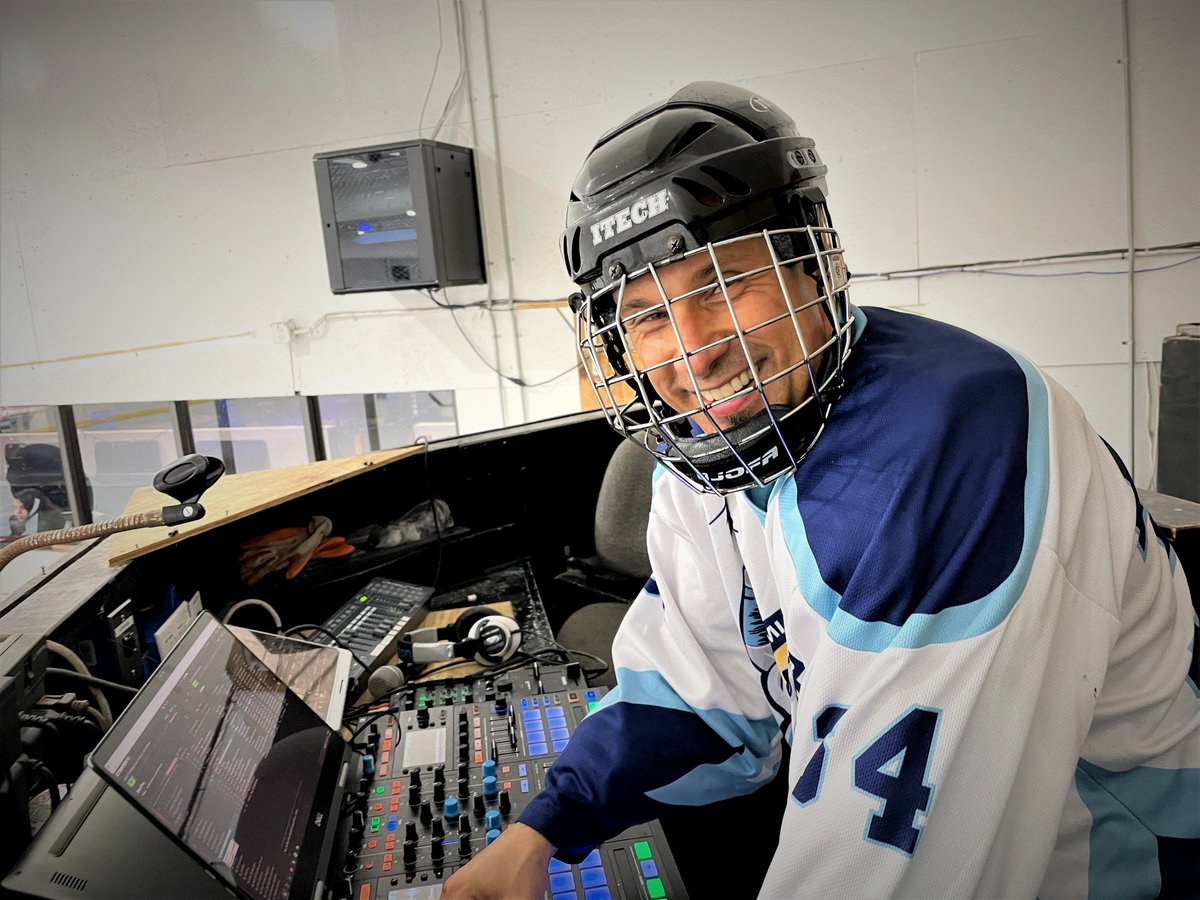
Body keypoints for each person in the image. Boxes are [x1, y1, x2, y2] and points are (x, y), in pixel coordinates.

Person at [443, 82, 1198, 898]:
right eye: (649, 316)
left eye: (724, 285)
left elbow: (892, 859)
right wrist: (544, 826)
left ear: (814, 266)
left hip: (1123, 863)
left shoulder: (952, 440)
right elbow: (704, 695)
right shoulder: (706, 452)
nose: (695, 354)